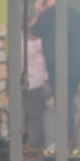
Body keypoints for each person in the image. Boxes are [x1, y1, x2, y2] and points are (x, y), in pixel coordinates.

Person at [29, 0, 80, 151]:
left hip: (59, 67)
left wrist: (37, 11)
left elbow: (32, 34)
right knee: (67, 102)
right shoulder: (76, 14)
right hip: (78, 68)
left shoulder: (48, 15)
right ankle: (68, 141)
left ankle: (65, 144)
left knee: (63, 104)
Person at [26, 20, 49, 149]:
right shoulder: (22, 40)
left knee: (36, 116)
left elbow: (46, 62)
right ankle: (33, 145)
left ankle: (35, 146)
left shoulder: (42, 41)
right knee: (32, 117)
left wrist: (46, 81)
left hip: (38, 83)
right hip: (27, 84)